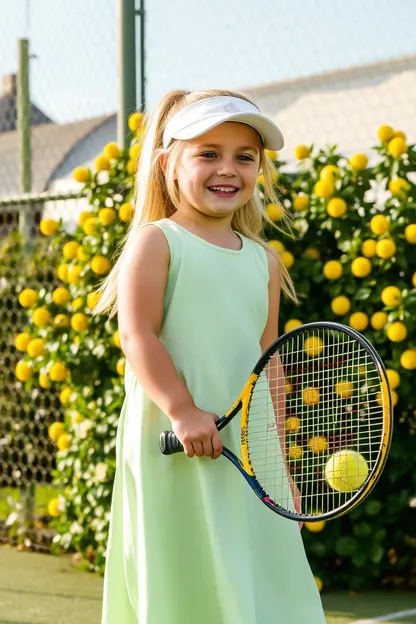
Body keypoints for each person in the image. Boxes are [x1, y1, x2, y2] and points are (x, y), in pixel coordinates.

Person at [96, 89, 326, 623]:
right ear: (167, 163)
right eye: (208, 153)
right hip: (175, 443)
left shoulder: (264, 261)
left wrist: (280, 462)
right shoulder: (157, 242)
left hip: (247, 449)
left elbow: (268, 359)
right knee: (184, 573)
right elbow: (138, 337)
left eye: (245, 157)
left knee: (264, 574)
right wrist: (182, 410)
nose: (228, 169)